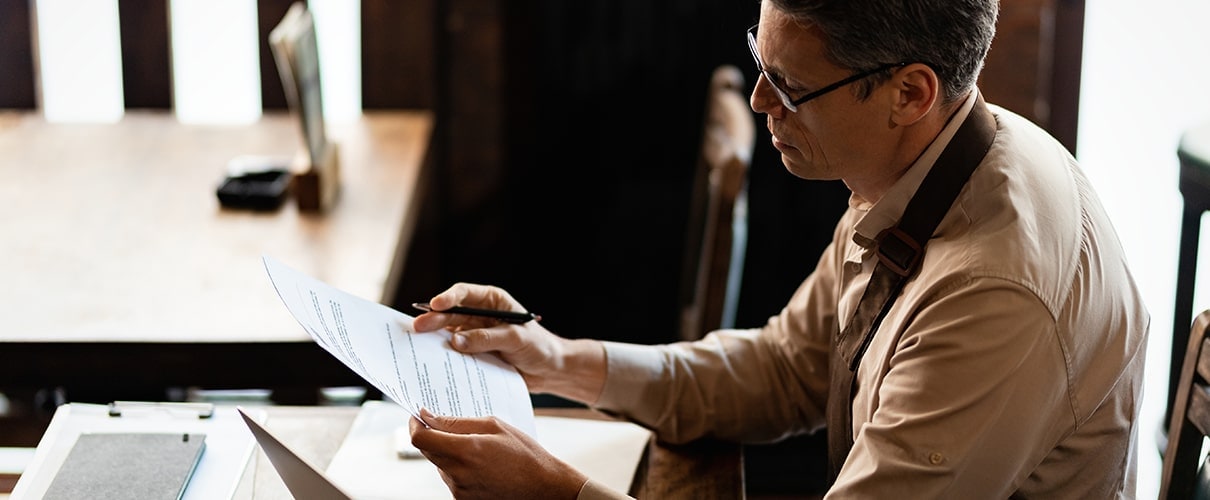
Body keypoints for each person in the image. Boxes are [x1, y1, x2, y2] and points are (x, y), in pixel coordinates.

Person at [408, 0, 1150, 497]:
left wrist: (552, 490)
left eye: (790, 85)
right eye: (758, 61)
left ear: (910, 94)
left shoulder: (993, 294)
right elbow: (787, 368)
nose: (761, 101)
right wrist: (555, 359)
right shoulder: (930, 164)